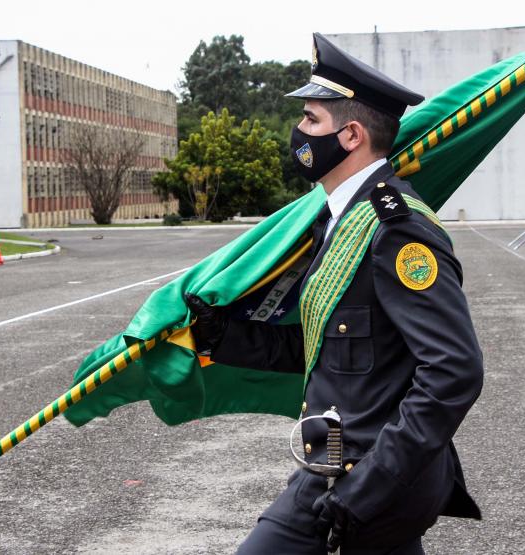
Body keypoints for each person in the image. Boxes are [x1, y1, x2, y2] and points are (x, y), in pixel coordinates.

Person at [185, 32, 484, 554]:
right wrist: (226, 337)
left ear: (349, 136)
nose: (298, 132)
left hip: (370, 480)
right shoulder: (336, 221)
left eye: (310, 120)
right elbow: (330, 348)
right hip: (333, 466)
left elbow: (454, 371)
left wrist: (370, 488)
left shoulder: (397, 229)